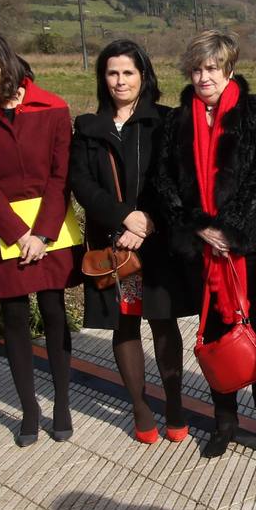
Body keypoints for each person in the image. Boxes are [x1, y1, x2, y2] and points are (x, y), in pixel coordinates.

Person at [154, 30, 256, 458]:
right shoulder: (176, 121)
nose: (203, 77)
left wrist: (230, 229)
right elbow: (164, 181)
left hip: (255, 245)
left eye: (211, 68)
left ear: (229, 69)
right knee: (214, 331)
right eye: (196, 69)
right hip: (202, 250)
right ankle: (225, 420)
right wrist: (200, 227)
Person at [0, 31, 78, 447]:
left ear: (7, 62)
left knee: (54, 311)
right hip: (0, 226)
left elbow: (61, 175)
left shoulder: (52, 106)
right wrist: (16, 232)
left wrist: (41, 233)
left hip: (50, 226)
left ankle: (62, 403)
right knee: (14, 317)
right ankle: (29, 409)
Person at [69, 40, 194, 444]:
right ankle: (140, 408)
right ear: (102, 78)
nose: (120, 81)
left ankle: (174, 404)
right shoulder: (88, 128)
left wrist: (146, 223)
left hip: (156, 242)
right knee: (123, 323)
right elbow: (83, 185)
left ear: (144, 76)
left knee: (162, 321)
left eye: (128, 72)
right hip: (112, 244)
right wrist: (124, 217)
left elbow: (177, 178)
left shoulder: (166, 121)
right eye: (112, 73)